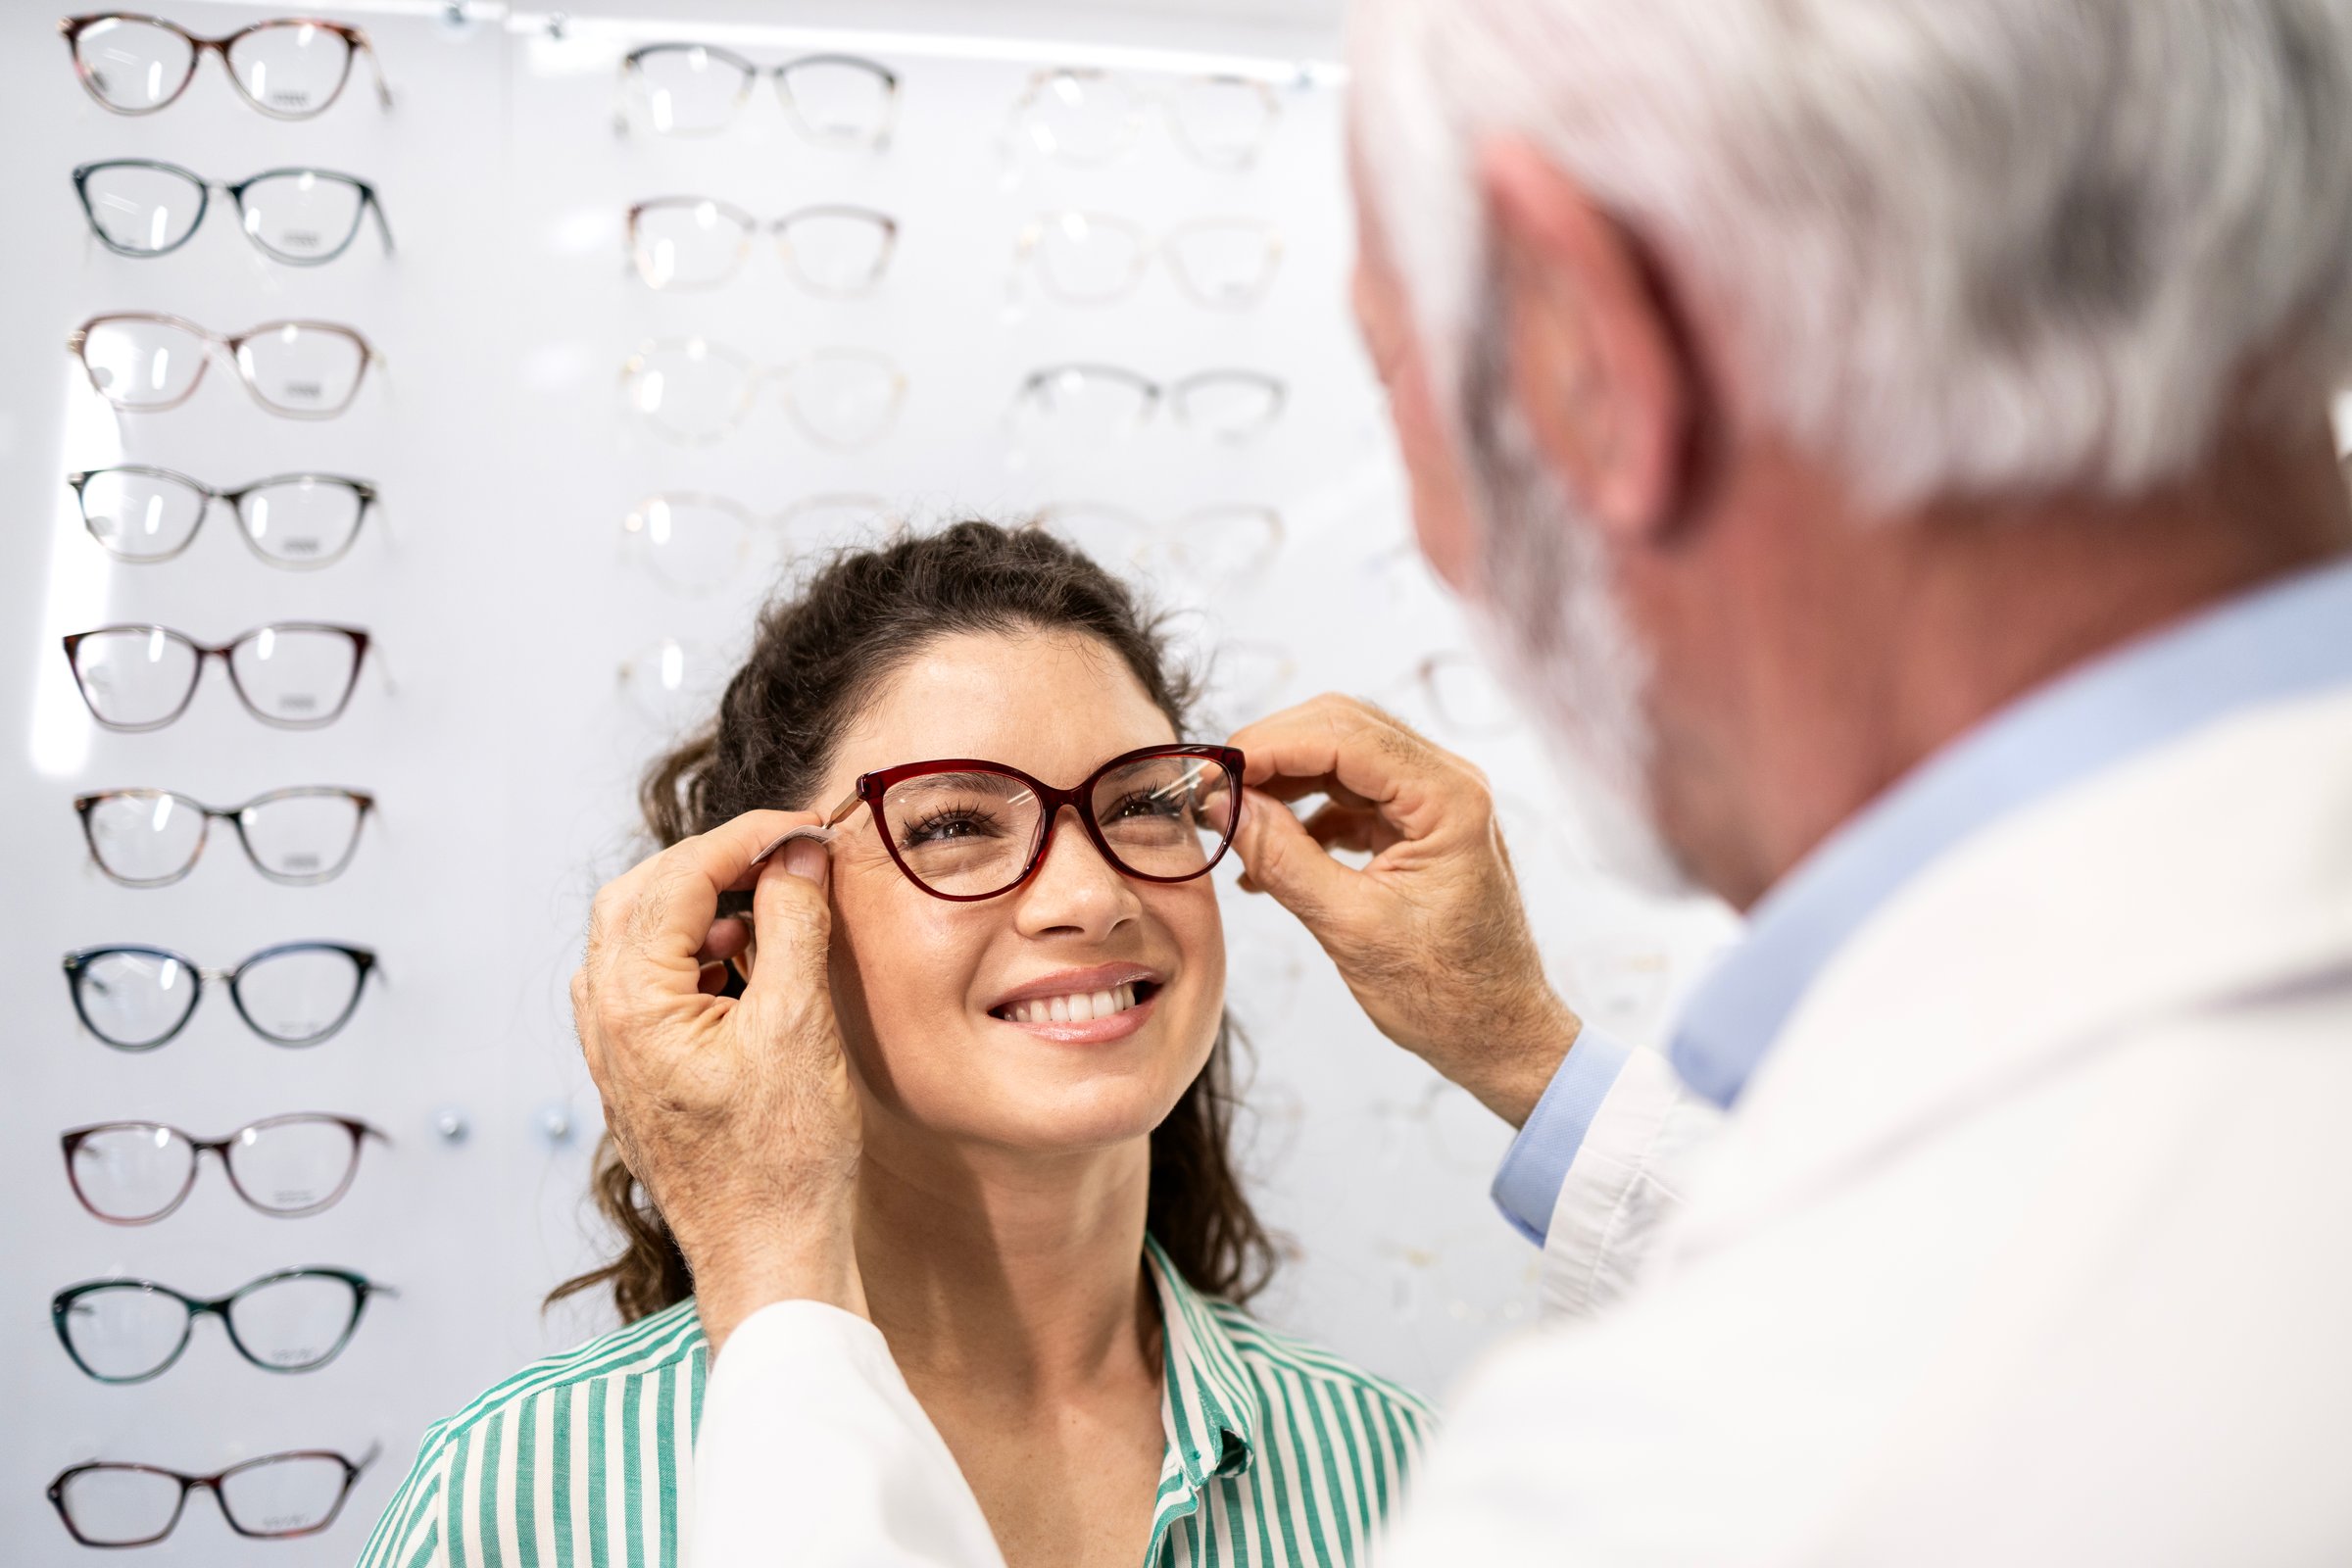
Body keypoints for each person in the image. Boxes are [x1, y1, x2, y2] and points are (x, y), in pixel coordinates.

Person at [579, 2, 2352, 1563]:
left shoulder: (1617, 1476)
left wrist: (780, 1293)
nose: (1085, 886)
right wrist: (1527, 1049)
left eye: (1391, 371)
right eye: (959, 822)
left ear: (1593, 350)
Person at [354, 523, 1435, 1568]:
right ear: (767, 928)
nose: (1090, 895)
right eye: (955, 825)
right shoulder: (517, 1499)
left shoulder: (1404, 1479)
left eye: (1144, 803)